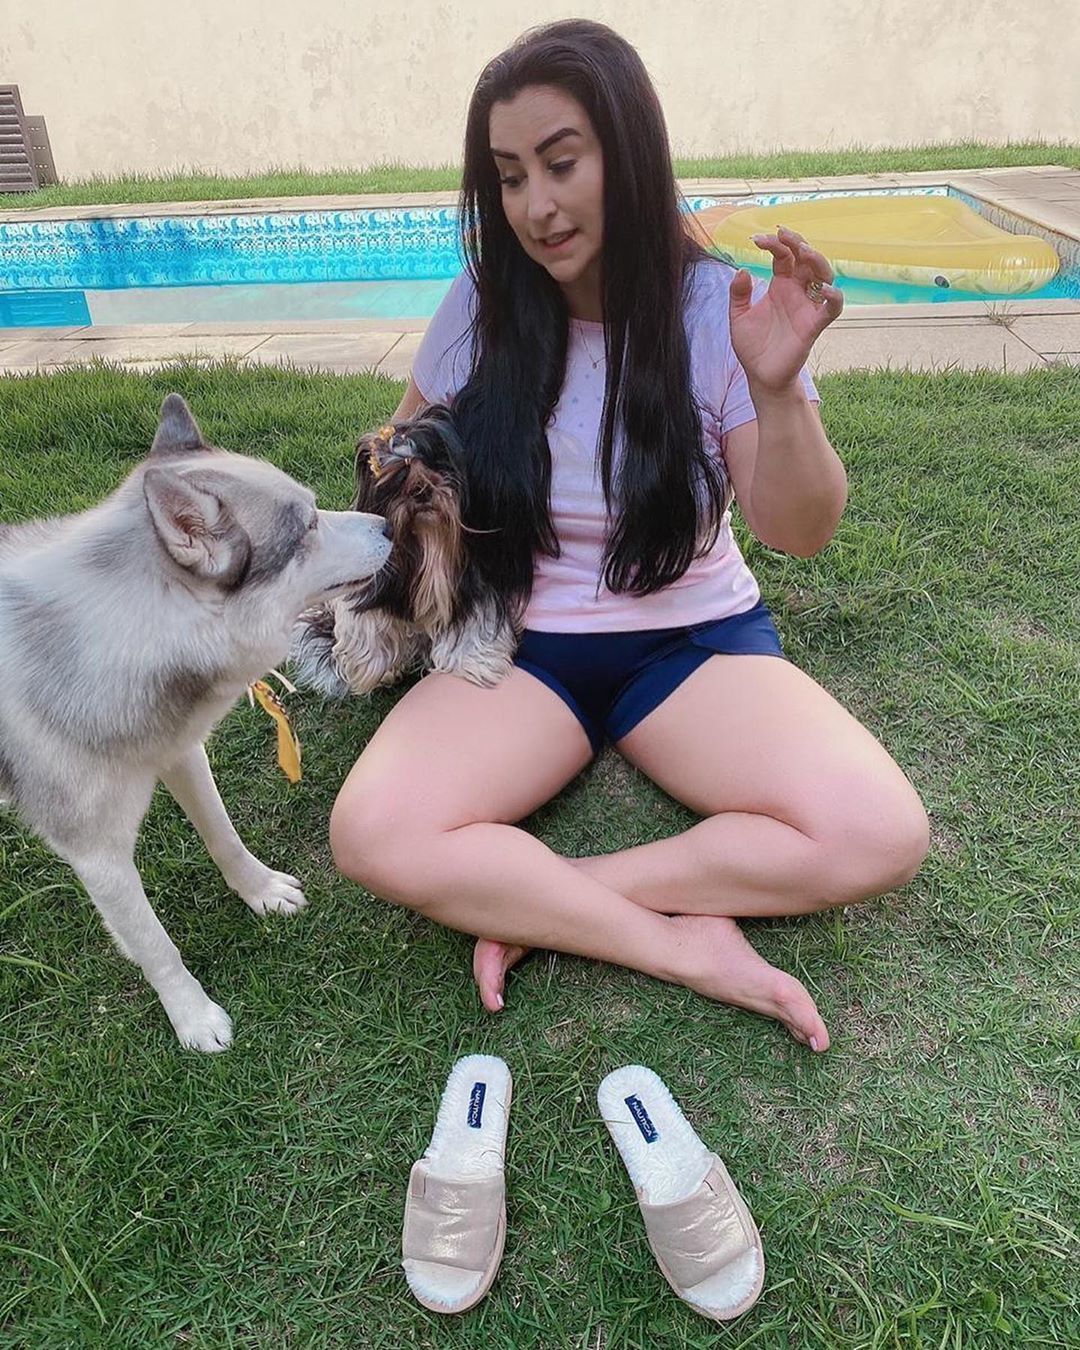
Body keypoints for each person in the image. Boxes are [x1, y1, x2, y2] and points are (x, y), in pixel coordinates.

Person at [329, 19, 929, 1051]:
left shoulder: (714, 310)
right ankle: (680, 946)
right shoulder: (479, 307)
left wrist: (776, 392)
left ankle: (559, 896)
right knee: (372, 831)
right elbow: (400, 467)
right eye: (510, 177)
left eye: (561, 163)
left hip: (692, 645)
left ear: (629, 152)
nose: (536, 205)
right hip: (521, 650)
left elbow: (799, 530)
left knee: (880, 831)